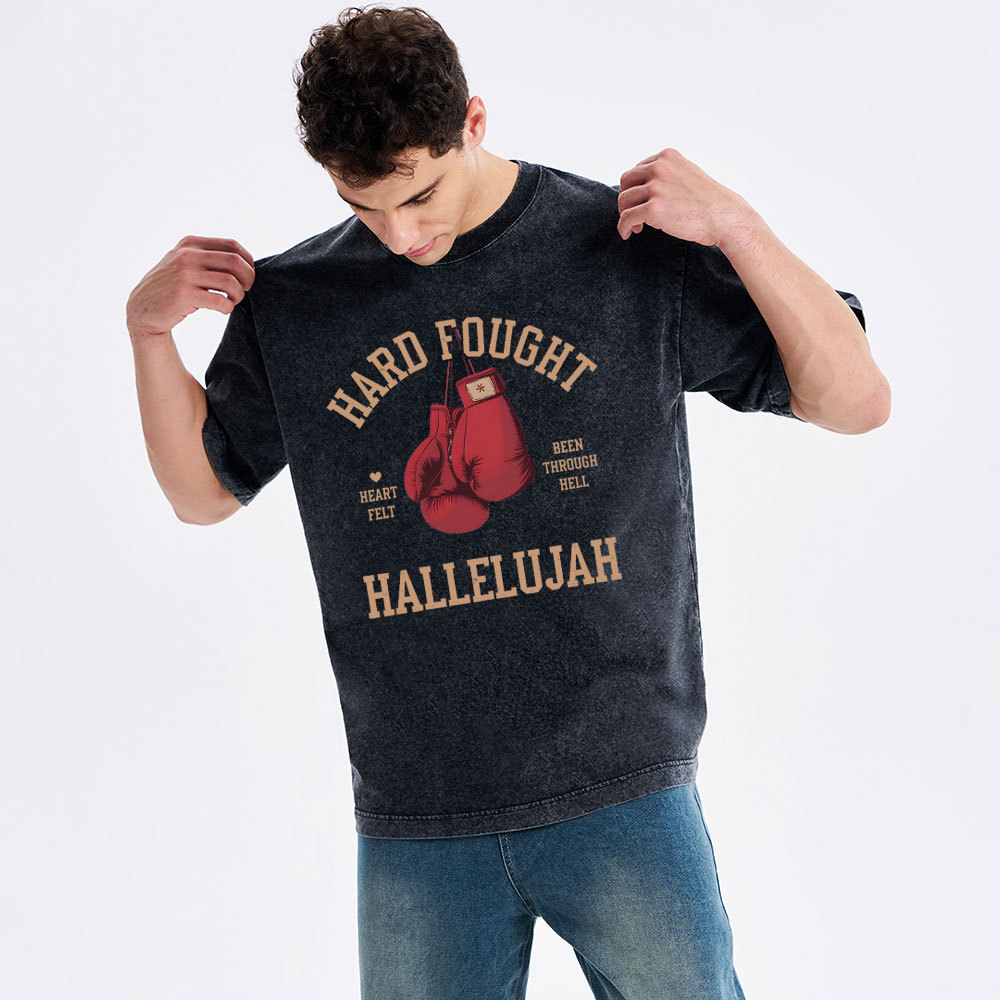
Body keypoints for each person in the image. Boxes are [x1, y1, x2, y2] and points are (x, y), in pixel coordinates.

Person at [126, 6, 889, 998]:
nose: (402, 234)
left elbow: (856, 400)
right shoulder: (301, 305)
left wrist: (738, 227)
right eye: (364, 205)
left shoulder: (621, 248)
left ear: (474, 121)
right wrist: (148, 334)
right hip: (417, 811)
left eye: (421, 192)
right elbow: (202, 494)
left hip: (621, 786)